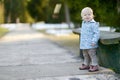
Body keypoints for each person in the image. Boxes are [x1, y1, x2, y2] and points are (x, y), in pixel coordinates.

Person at [79, 7, 100, 72]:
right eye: (85, 15)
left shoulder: (94, 24)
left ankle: (95, 65)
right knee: (85, 54)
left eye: (89, 14)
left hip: (91, 43)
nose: (87, 16)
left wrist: (94, 41)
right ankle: (86, 64)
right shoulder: (84, 23)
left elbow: (96, 33)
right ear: (82, 17)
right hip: (84, 44)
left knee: (92, 54)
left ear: (92, 15)